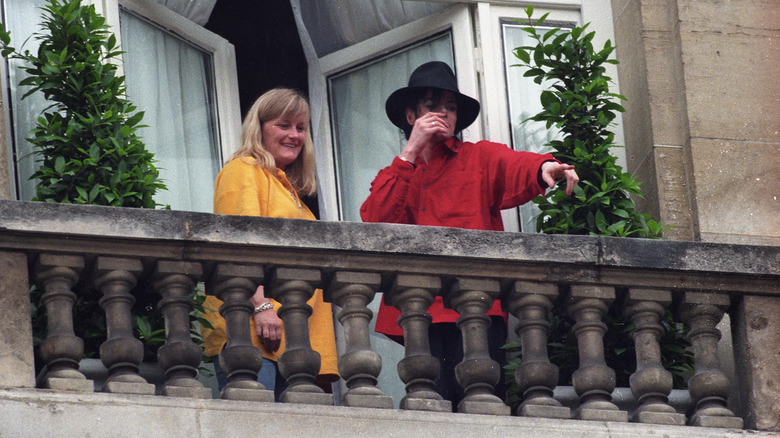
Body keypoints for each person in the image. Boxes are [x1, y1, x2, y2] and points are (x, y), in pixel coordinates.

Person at [360, 61, 579, 408]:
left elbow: (515, 163)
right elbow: (376, 222)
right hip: (421, 311)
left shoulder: (478, 157)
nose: (443, 114)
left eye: (451, 107)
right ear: (410, 115)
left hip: (477, 308)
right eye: (433, 106)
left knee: (483, 407)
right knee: (429, 408)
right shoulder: (398, 172)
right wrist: (410, 151)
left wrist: (544, 166)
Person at [201, 88, 339, 400]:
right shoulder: (244, 170)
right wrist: (261, 306)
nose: (294, 135)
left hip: (294, 340)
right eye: (284, 125)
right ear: (259, 128)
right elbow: (239, 247)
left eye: (301, 128)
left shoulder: (287, 188)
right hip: (256, 331)